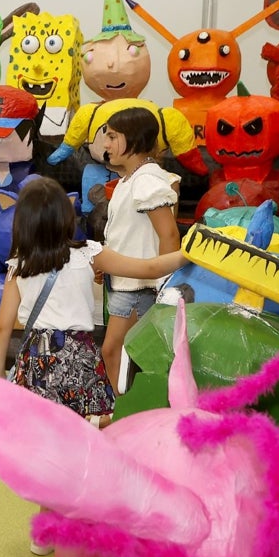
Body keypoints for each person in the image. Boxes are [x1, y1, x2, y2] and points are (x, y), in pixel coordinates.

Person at [0, 176, 185, 554]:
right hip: (78, 358)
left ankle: (45, 528)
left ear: (23, 223)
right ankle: (86, 512)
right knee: (91, 437)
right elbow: (148, 268)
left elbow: (2, 326)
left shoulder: (18, 266)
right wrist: (190, 254)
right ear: (67, 218)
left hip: (38, 361)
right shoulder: (88, 254)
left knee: (49, 446)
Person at [98, 107, 180, 388]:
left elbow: (169, 234)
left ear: (133, 139)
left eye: (112, 136)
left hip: (139, 286)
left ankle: (119, 412)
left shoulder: (146, 179)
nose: (105, 144)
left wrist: (165, 287)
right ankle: (119, 410)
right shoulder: (130, 178)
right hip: (125, 282)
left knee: (117, 351)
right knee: (122, 352)